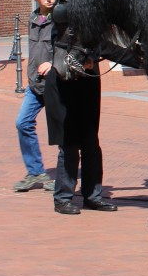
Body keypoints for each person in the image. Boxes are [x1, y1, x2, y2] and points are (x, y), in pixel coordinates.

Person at [44, 30, 116, 215]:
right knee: (69, 144)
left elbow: (105, 43)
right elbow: (57, 42)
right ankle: (63, 198)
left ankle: (93, 196)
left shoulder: (94, 16)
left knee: (91, 143)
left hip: (88, 81)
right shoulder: (62, 14)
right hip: (64, 82)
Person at [11, 0, 58, 193]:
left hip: (56, 85)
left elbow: (69, 50)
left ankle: (65, 177)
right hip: (35, 85)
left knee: (63, 132)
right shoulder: (32, 19)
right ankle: (36, 172)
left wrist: (53, 63)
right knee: (23, 123)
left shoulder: (61, 19)